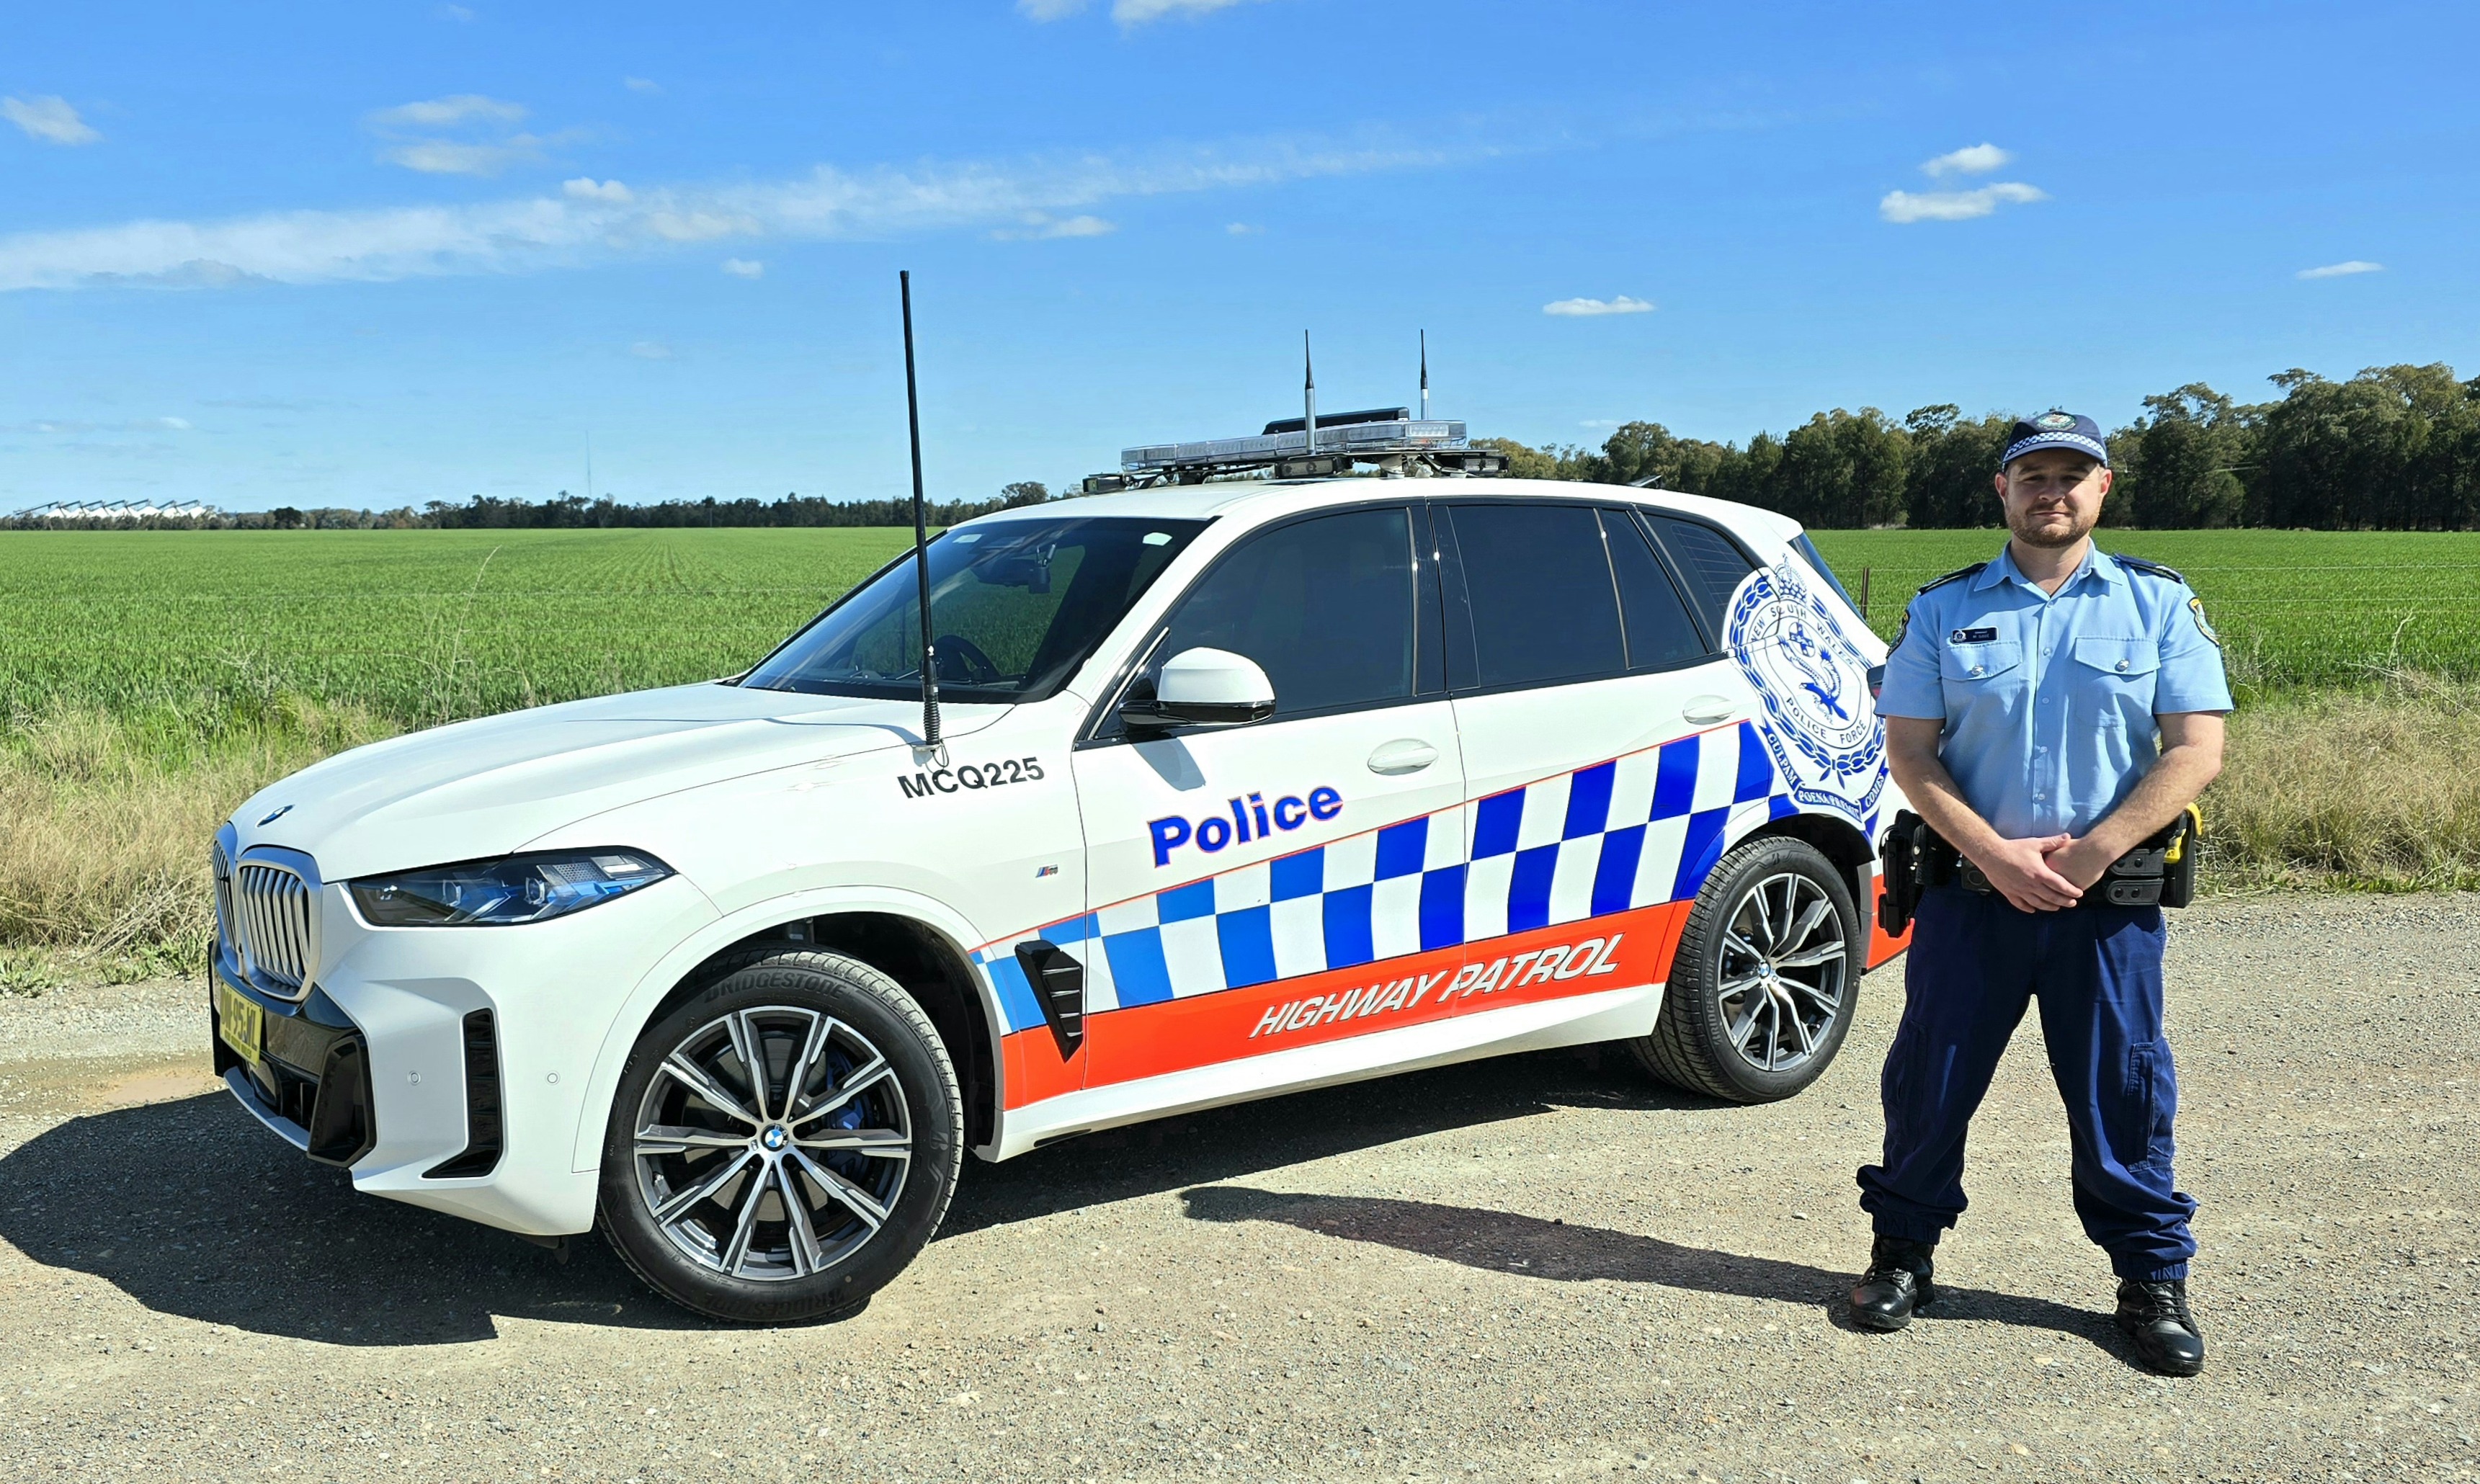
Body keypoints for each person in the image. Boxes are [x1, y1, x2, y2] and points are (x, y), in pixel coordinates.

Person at [1851, 411, 2233, 1376]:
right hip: (1969, 900)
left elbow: (2196, 748)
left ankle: (2149, 1279)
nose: (2051, 491)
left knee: (2122, 1091)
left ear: (2101, 490)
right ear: (2002, 491)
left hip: (2102, 907)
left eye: (2073, 475)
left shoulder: (2154, 604)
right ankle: (1902, 1255)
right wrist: (1998, 856)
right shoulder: (1943, 608)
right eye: (2032, 475)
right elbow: (1909, 751)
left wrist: (2092, 851)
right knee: (1929, 1085)